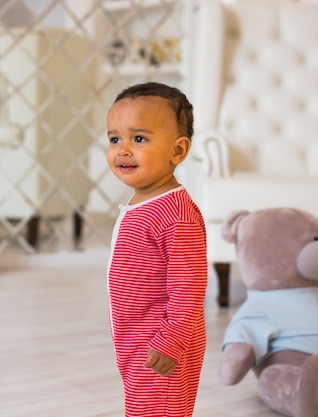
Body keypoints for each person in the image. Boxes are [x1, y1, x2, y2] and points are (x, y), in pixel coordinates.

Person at [106, 82, 208, 416]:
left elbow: (189, 287)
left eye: (139, 139)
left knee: (157, 409)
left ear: (177, 151)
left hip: (164, 340)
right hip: (136, 336)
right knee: (140, 407)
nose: (123, 149)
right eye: (114, 138)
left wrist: (172, 339)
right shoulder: (143, 202)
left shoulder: (177, 214)